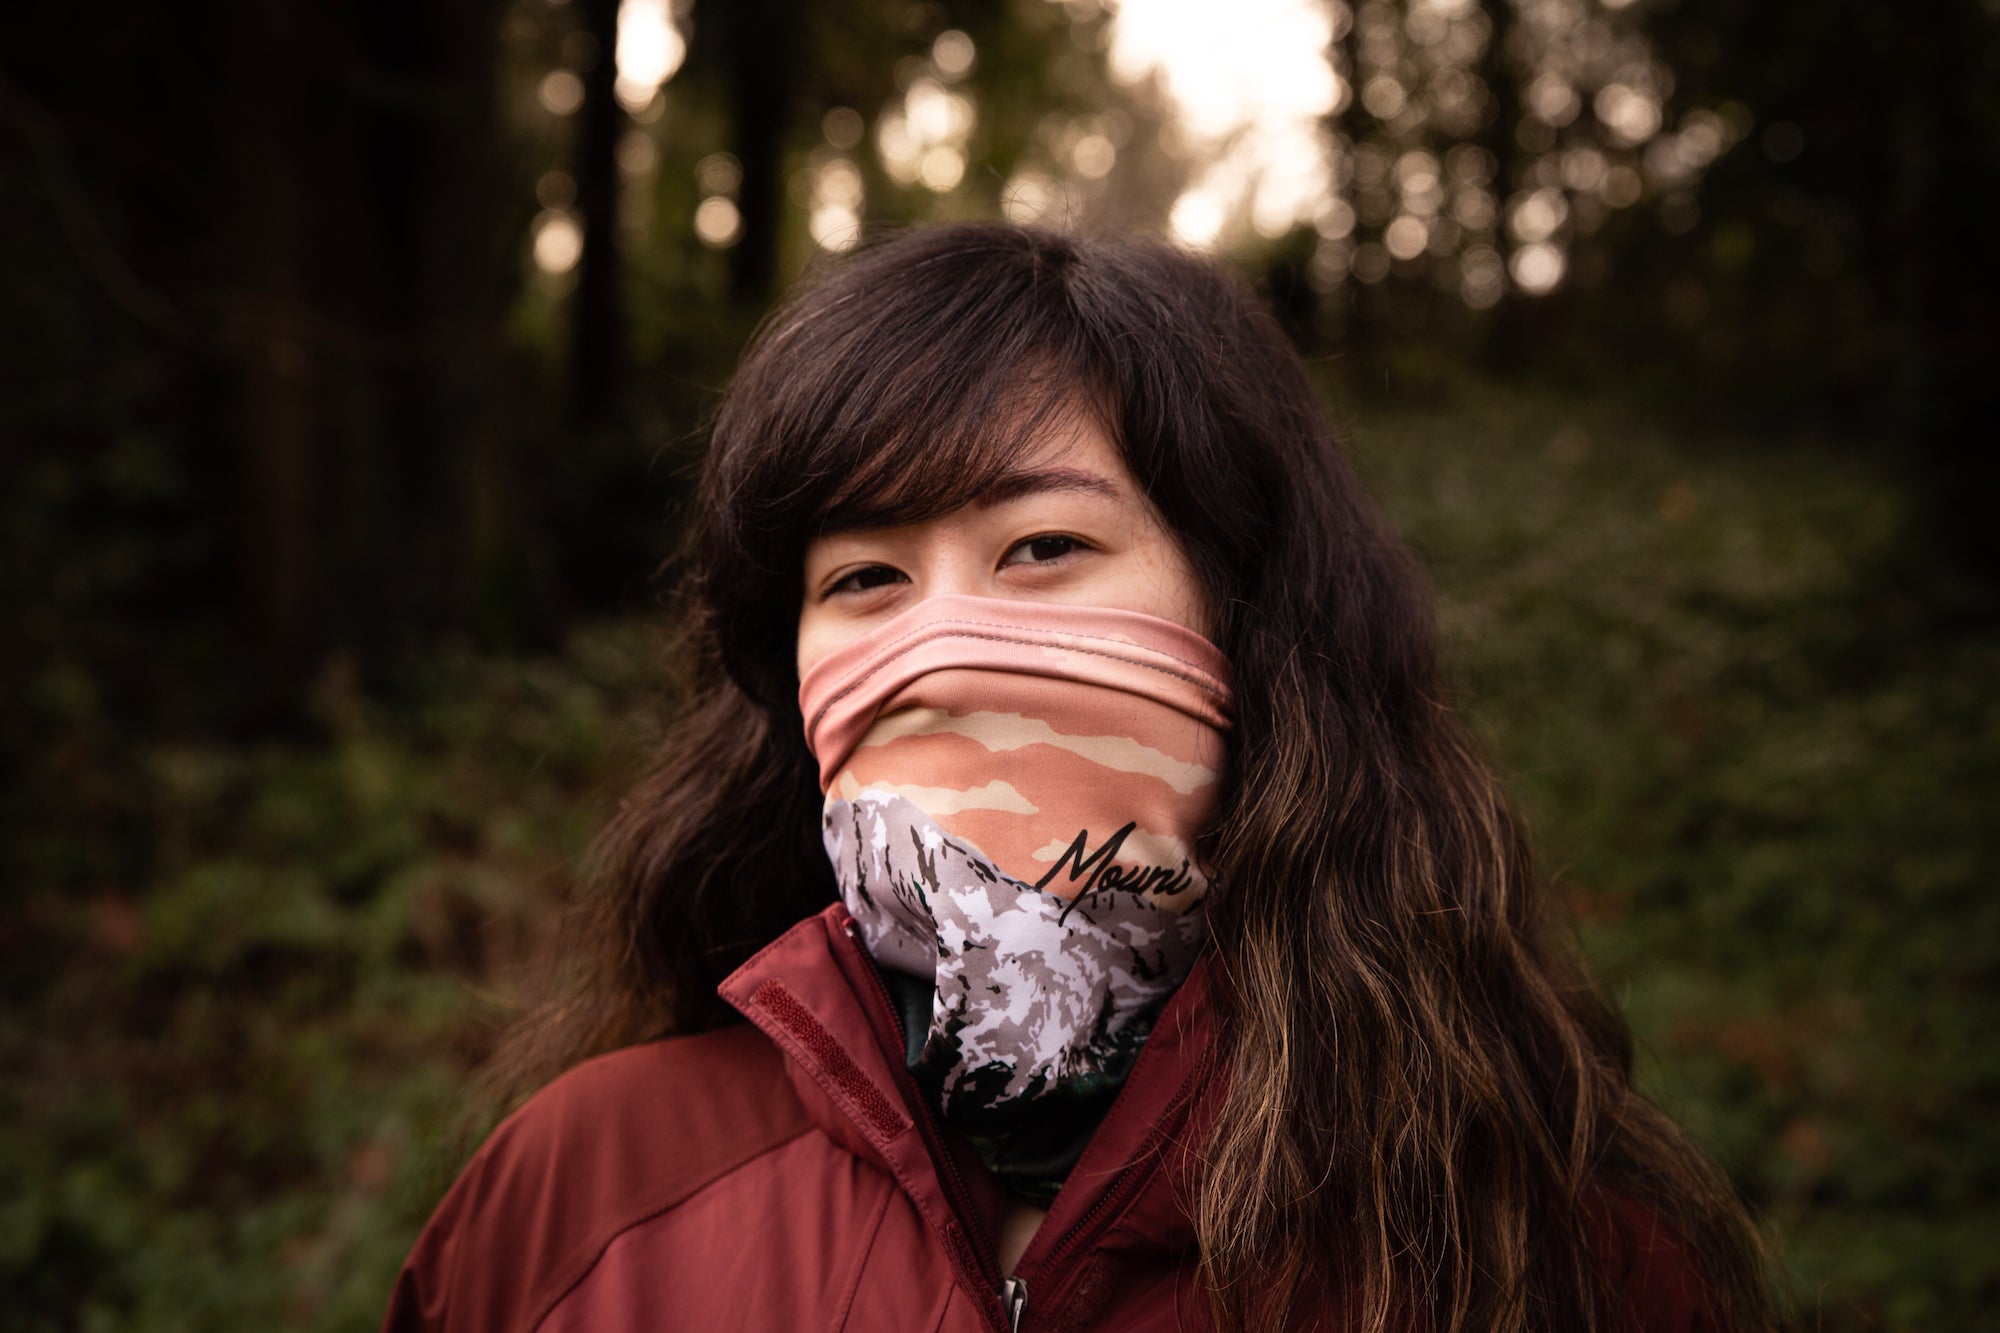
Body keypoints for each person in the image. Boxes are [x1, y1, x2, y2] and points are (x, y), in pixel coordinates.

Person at [381, 223, 1778, 1332]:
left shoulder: (1544, 1254)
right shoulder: (580, 1200)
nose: (939, 651)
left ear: (1243, 612)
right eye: (863, 578)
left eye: (1043, 547)